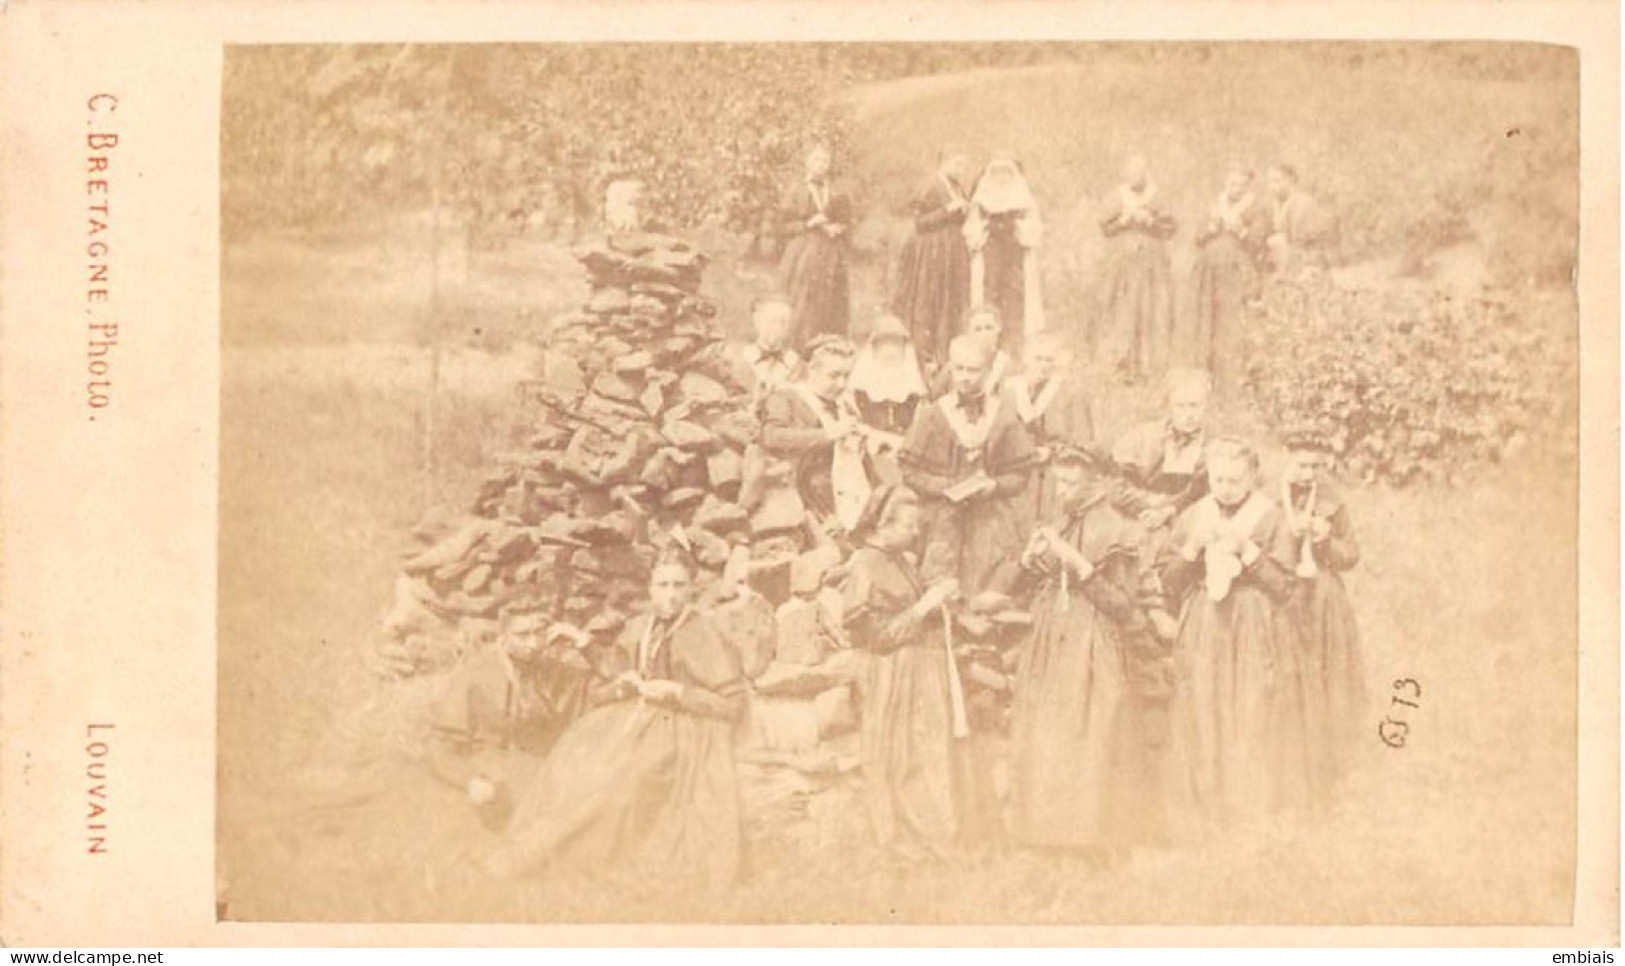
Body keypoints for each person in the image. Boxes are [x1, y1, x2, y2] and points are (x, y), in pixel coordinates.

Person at [479, 549, 747, 888]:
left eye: (679, 585)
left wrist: (678, 692)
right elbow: (622, 669)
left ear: (692, 588)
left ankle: (589, 861)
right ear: (650, 589)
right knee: (576, 763)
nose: (670, 594)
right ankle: (541, 851)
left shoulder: (702, 631)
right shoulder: (645, 626)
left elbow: (732, 703)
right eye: (663, 584)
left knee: (625, 783)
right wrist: (585, 644)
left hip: (684, 731)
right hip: (637, 719)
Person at [1154, 437, 1312, 832]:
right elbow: (1168, 583)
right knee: (1202, 706)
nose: (1224, 488)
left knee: (1250, 704)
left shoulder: (1270, 517)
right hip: (1205, 623)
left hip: (1252, 623)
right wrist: (1191, 551)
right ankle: (1203, 805)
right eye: (1217, 479)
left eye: (1234, 480)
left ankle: (1249, 804)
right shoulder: (1193, 516)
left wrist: (1249, 553)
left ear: (1253, 479)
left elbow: (1285, 587)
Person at [1007, 448, 1155, 855]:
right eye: (1060, 482)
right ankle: (1042, 831)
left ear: (1095, 484)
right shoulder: (1061, 519)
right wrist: (1029, 559)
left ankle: (1091, 835)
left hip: (1094, 639)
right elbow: (1039, 580)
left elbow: (1124, 606)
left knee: (1091, 727)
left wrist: (1079, 566)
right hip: (1052, 635)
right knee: (1045, 728)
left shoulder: (1116, 530)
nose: (1063, 491)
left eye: (1072, 483)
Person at [842, 485, 966, 861]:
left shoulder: (900, 560)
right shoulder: (866, 565)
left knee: (927, 754)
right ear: (883, 523)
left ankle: (938, 838)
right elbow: (874, 636)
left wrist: (940, 594)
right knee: (902, 757)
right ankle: (905, 837)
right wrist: (924, 607)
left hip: (917, 675)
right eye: (909, 525)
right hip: (891, 676)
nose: (917, 532)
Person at [899, 334, 1037, 596]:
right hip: (941, 513)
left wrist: (995, 485)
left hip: (990, 513)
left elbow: (1020, 474)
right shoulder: (933, 415)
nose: (964, 377)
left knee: (992, 572)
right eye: (958, 368)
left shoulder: (1003, 416)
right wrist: (944, 487)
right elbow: (909, 471)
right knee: (940, 572)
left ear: (988, 371)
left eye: (973, 370)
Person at [1278, 427, 1365, 799]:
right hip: (1281, 593)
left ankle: (1332, 760)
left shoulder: (1331, 498)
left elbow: (1352, 555)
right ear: (1286, 457)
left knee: (1327, 675)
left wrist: (1325, 539)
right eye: (1301, 463)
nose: (1308, 472)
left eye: (1316, 464)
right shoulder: (1265, 494)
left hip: (1323, 598)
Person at [759, 335, 873, 535]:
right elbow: (771, 436)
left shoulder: (844, 404)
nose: (841, 384)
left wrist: (861, 441)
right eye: (834, 375)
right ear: (812, 369)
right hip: (803, 489)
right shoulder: (787, 397)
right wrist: (828, 433)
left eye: (846, 376)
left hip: (845, 488)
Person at [1181, 168, 1268, 395]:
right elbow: (1197, 238)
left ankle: (1231, 381)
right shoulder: (1215, 206)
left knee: (1230, 322)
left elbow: (1258, 243)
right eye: (1231, 184)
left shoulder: (1256, 209)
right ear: (1225, 184)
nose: (1234, 189)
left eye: (1239, 185)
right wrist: (1210, 228)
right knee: (1207, 320)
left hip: (1235, 272)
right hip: (1208, 272)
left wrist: (1241, 231)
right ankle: (1206, 376)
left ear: (1247, 187)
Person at [1003, 329, 1097, 530]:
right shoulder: (1009, 390)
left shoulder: (1072, 392)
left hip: (1055, 474)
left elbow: (1084, 442)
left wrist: (1053, 452)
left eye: (1049, 360)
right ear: (1026, 359)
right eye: (1038, 359)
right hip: (1014, 473)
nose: (1043, 366)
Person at [1096, 154, 1178, 383]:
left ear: (1146, 173)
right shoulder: (1117, 195)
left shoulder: (1157, 196)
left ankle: (1147, 365)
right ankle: (1120, 364)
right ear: (1125, 174)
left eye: (1139, 173)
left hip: (1151, 264)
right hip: (1121, 263)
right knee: (1122, 308)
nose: (1135, 178)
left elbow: (1171, 228)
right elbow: (1105, 226)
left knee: (1150, 308)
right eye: (1131, 173)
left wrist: (1150, 221)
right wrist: (1123, 220)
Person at [892, 146, 974, 372]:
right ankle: (925, 359)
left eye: (964, 166)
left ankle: (946, 355)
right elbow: (920, 223)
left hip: (953, 252)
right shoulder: (931, 186)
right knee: (930, 302)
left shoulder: (957, 187)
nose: (961, 169)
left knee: (951, 302)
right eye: (957, 164)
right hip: (932, 252)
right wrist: (948, 209)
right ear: (944, 162)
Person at [1112, 367, 1214, 533]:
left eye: (1195, 406)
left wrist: (1169, 511)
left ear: (1206, 405)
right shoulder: (1142, 437)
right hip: (1142, 520)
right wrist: (1154, 505)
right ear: (1168, 405)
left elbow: (1214, 495)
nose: (1189, 414)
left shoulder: (1217, 445)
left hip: (1193, 526)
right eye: (1181, 406)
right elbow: (1117, 488)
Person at [964, 153, 1045, 359]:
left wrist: (1017, 227)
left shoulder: (1023, 197)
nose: (1001, 177)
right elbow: (971, 228)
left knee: (1015, 297)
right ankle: (985, 348)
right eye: (997, 172)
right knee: (989, 296)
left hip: (1015, 253)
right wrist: (985, 228)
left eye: (1005, 172)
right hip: (990, 252)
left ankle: (1014, 348)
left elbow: (1034, 227)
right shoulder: (982, 198)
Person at [775, 143, 853, 345]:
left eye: (825, 160)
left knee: (830, 298)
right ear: (808, 163)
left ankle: (827, 342)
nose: (821, 165)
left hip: (831, 251)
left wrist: (839, 227)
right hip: (803, 252)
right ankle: (799, 343)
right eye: (817, 160)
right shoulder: (796, 190)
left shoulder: (835, 189)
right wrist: (809, 223)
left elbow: (848, 219)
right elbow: (782, 226)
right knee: (802, 298)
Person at [848, 313, 930, 484]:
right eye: (885, 343)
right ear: (874, 347)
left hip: (908, 457)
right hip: (866, 457)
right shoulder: (857, 392)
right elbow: (852, 426)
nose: (891, 350)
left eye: (896, 343)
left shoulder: (916, 394)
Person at [930, 304, 1018, 399]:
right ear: (969, 333)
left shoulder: (1008, 367)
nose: (984, 334)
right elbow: (934, 398)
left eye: (988, 328)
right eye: (978, 329)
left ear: (998, 329)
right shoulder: (956, 365)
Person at [729, 293, 804, 404]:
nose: (778, 328)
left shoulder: (796, 364)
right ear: (756, 321)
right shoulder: (738, 358)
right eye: (772, 321)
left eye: (783, 322)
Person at [1264, 164, 1334, 276]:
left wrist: (1308, 265)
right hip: (1283, 261)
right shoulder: (1277, 204)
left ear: (1290, 181)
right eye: (1270, 182)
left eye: (1276, 181)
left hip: (1305, 263)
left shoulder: (1303, 203)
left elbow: (1308, 241)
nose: (1272, 187)